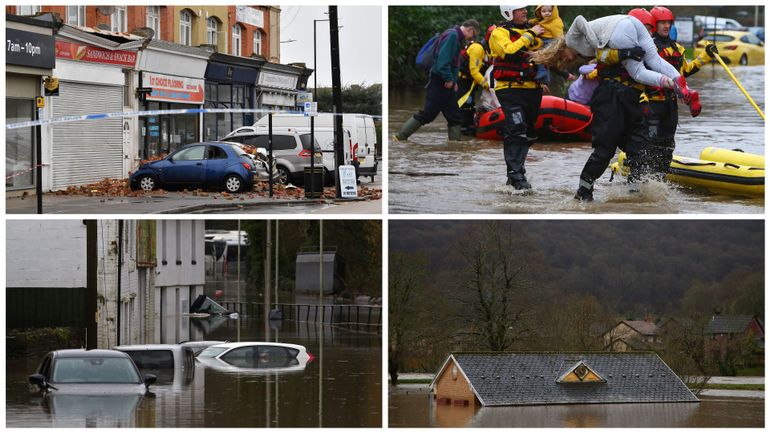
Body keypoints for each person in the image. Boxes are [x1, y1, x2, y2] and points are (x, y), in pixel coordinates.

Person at [529, 13, 701, 200]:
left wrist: (606, 44)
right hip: (612, 97)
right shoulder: (600, 47)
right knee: (605, 151)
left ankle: (633, 193)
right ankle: (584, 191)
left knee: (638, 149)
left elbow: (581, 23)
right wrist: (624, 53)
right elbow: (606, 57)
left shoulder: (587, 41)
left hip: (630, 97)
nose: (570, 60)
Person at [645, 6, 717, 177]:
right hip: (651, 104)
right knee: (651, 143)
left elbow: (685, 71)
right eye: (662, 22)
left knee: (668, 145)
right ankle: (642, 178)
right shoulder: (648, 47)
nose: (666, 26)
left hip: (670, 106)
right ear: (654, 24)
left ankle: (660, 179)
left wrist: (705, 56)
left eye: (668, 22)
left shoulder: (678, 49)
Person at [395, 20, 481, 142]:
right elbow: (443, 61)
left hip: (447, 82)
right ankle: (400, 137)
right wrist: (449, 79)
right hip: (440, 81)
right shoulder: (452, 36)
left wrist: (454, 81)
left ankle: (455, 148)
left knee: (454, 117)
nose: (471, 39)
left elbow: (452, 62)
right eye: (473, 35)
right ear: (470, 29)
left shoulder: (454, 35)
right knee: (428, 114)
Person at [489, 6, 545, 190]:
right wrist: (531, 33)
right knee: (517, 129)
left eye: (525, 9)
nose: (525, 12)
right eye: (519, 10)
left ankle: (515, 172)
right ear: (508, 13)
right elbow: (510, 52)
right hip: (510, 89)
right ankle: (516, 177)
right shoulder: (499, 33)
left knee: (528, 133)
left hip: (532, 89)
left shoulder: (532, 29)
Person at [456, 31, 491, 135]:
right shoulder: (477, 48)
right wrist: (487, 85)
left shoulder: (489, 52)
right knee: (464, 105)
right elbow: (474, 71)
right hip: (462, 81)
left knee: (470, 105)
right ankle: (462, 130)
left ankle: (468, 127)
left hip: (470, 82)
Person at [529, 5, 564, 87]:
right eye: (544, 11)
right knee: (539, 58)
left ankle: (543, 74)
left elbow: (559, 34)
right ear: (539, 12)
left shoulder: (555, 22)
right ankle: (544, 76)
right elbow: (538, 22)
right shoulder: (543, 20)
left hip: (549, 41)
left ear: (554, 11)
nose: (547, 13)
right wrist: (532, 22)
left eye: (549, 11)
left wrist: (558, 44)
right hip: (542, 40)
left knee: (542, 58)